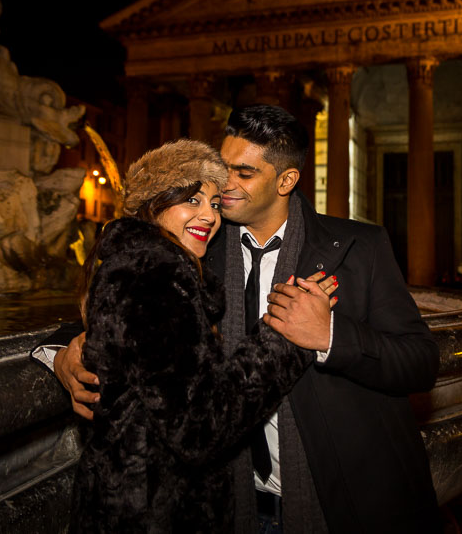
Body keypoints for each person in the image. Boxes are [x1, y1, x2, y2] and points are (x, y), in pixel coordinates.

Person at [44, 106, 441, 532]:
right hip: (230, 508)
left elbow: (420, 361)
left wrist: (328, 335)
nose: (225, 186)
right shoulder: (194, 248)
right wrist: (60, 356)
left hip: (335, 503)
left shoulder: (358, 248)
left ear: (286, 180)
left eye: (244, 173)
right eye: (222, 168)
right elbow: (115, 312)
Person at [67, 139, 337, 533]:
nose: (208, 216)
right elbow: (200, 428)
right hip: (151, 512)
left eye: (213, 204)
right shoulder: (156, 276)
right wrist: (284, 334)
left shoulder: (136, 264)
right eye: (191, 200)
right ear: (153, 202)